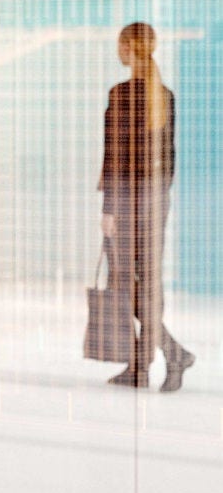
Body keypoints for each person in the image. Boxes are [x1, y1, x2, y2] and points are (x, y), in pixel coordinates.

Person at [100, 22, 193, 391]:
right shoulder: (164, 95)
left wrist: (110, 208)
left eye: (120, 45)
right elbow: (168, 159)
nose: (117, 51)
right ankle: (144, 364)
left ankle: (165, 356)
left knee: (124, 282)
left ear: (128, 48)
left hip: (126, 201)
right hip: (155, 200)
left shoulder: (121, 94)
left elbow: (114, 157)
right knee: (148, 282)